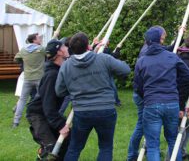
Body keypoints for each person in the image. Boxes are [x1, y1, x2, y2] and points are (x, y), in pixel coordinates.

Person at [55, 32, 131, 160]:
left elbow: (59, 91)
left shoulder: (66, 66)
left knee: (75, 147)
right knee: (105, 147)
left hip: (82, 111)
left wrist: (75, 89)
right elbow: (125, 70)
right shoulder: (103, 59)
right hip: (105, 110)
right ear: (88, 46)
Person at [134, 26, 189, 161]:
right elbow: (188, 75)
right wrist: (173, 87)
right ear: (160, 40)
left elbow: (138, 86)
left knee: (153, 144)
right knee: (173, 140)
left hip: (152, 104)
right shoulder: (172, 57)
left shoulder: (142, 61)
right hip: (171, 103)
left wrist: (148, 95)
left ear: (147, 41)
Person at [26, 38, 71, 160]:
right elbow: (48, 104)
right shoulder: (52, 75)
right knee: (51, 148)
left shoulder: (58, 69)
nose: (67, 48)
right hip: (38, 114)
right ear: (60, 53)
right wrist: (60, 125)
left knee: (66, 141)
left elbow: (79, 57)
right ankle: (43, 154)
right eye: (64, 47)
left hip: (48, 113)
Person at [13, 33, 46, 127]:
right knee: (43, 98)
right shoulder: (41, 49)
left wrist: (24, 62)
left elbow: (16, 59)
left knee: (22, 99)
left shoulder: (23, 50)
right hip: (39, 77)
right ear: (34, 40)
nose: (40, 39)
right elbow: (49, 55)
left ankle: (16, 121)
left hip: (27, 78)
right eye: (38, 38)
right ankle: (43, 117)